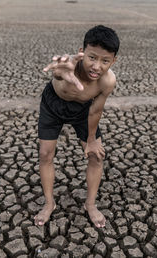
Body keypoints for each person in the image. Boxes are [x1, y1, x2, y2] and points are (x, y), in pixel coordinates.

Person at [34, 25, 119, 228]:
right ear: (82, 53)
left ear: (113, 61)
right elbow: (59, 73)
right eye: (92, 57)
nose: (96, 66)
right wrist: (59, 72)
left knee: (96, 156)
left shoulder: (107, 81)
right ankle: (49, 203)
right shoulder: (70, 66)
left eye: (105, 61)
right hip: (52, 104)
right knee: (45, 154)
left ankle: (90, 205)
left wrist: (91, 140)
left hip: (83, 111)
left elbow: (95, 111)